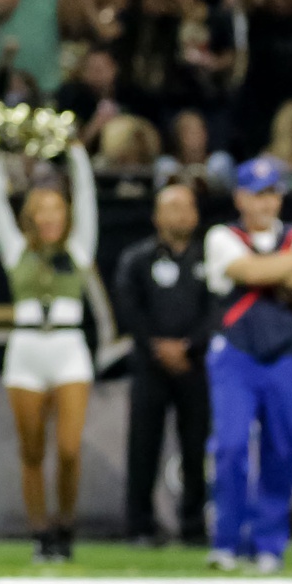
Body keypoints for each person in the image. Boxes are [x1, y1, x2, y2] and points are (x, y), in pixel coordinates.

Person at [202, 156, 292, 573]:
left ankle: (268, 544)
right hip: (236, 355)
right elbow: (248, 271)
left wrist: (270, 270)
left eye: (271, 195)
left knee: (282, 448)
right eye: (256, 195)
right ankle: (227, 540)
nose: (265, 204)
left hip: (286, 354)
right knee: (230, 447)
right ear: (240, 198)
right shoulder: (222, 236)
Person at [0, 138, 99, 561]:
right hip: (27, 348)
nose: (50, 217)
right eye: (42, 210)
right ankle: (40, 532)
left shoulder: (79, 247)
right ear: (30, 216)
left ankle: (65, 523)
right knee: (31, 451)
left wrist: (77, 154)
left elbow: (87, 197)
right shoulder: (16, 251)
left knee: (68, 449)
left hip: (68, 347)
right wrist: (0, 155)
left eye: (57, 209)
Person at [113, 181, 212, 546]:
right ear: (156, 216)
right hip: (149, 364)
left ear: (196, 215)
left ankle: (193, 526)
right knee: (143, 446)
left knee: (196, 447)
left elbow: (218, 309)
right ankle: (140, 525)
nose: (181, 214)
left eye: (187, 206)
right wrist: (157, 346)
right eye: (172, 207)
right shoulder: (137, 258)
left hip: (195, 365)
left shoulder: (209, 258)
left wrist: (190, 346)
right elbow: (128, 306)